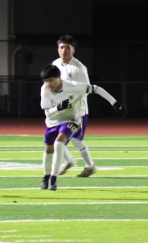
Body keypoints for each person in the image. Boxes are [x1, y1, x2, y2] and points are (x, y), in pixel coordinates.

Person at [39, 64, 126, 191]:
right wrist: (59, 107)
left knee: (59, 143)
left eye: (50, 80)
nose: (48, 84)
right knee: (48, 150)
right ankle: (46, 177)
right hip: (53, 122)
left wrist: (115, 103)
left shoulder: (73, 86)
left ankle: (53, 178)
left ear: (59, 78)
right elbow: (47, 113)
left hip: (72, 120)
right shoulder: (45, 89)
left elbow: (96, 89)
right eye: (46, 81)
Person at [52, 35, 97, 177]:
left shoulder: (79, 68)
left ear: (73, 50)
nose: (64, 50)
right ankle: (76, 162)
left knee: (75, 140)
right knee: (55, 138)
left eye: (67, 47)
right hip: (60, 110)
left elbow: (86, 89)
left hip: (77, 111)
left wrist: (71, 102)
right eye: (61, 47)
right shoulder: (55, 64)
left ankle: (86, 165)